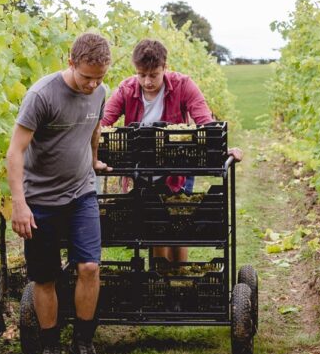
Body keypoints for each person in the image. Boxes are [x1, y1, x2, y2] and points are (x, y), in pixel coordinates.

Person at [6, 33, 112, 354]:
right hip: (40, 199)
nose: (93, 84)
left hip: (81, 193)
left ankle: (84, 345)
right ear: (71, 63)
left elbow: (94, 128)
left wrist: (94, 161)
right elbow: (16, 151)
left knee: (90, 268)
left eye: (99, 77)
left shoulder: (99, 92)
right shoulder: (42, 95)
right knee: (45, 276)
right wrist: (19, 204)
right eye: (86, 77)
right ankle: (51, 347)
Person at [101, 38, 243, 265]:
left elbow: (204, 121)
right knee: (157, 228)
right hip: (143, 170)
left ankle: (179, 278)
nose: (147, 81)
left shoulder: (183, 85)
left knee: (178, 226)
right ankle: (163, 281)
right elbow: (103, 124)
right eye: (141, 74)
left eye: (153, 75)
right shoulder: (126, 89)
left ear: (164, 68)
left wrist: (224, 148)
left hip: (177, 167)